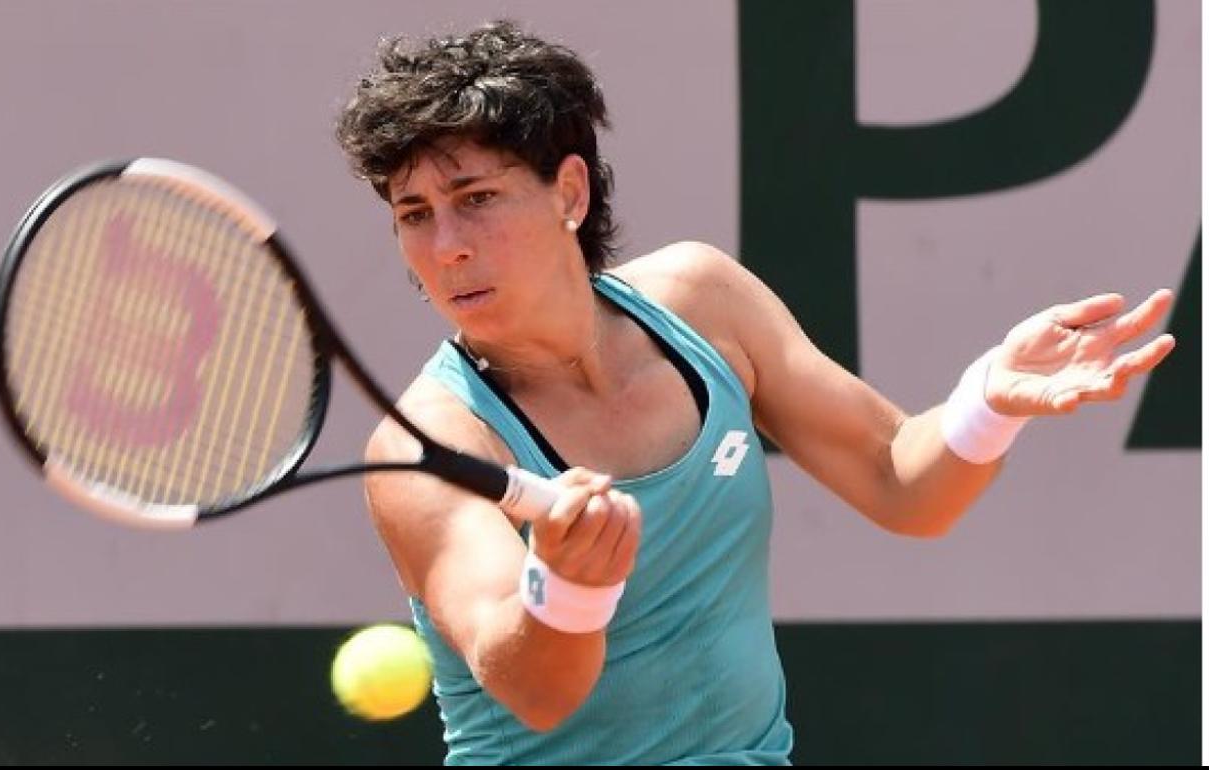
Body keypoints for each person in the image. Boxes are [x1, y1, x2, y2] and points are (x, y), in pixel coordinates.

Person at [335, 20, 1176, 766]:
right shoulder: (430, 444)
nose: (446, 247)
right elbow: (534, 691)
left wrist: (988, 400)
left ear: (571, 192)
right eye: (414, 214)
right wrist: (568, 586)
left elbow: (900, 480)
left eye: (476, 199)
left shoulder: (702, 302)